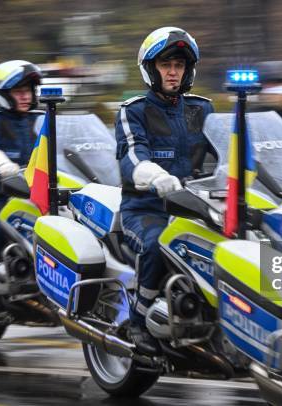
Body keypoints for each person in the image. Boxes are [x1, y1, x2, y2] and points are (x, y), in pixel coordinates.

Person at [115, 27, 214, 355]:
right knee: (160, 244)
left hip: (197, 208)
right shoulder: (134, 111)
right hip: (145, 209)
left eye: (179, 66)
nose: (173, 72)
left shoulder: (202, 109)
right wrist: (156, 176)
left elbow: (230, 152)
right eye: (165, 65)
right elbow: (131, 156)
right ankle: (138, 322)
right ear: (151, 69)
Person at [0, 60, 43, 308]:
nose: (26, 96)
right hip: (1, 195)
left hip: (43, 194)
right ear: (2, 95)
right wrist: (3, 166)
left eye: (29, 90)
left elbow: (65, 149)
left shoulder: (44, 118)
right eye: (19, 91)